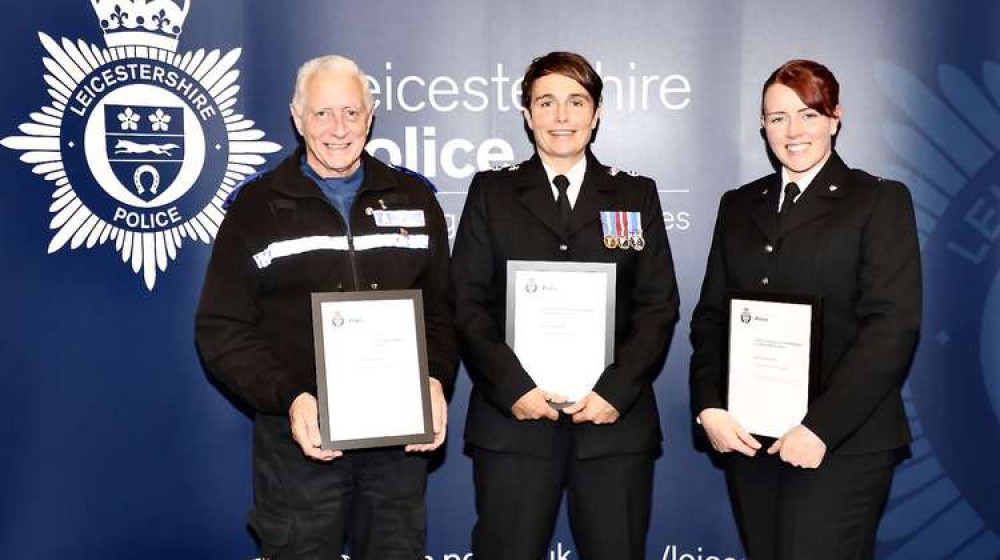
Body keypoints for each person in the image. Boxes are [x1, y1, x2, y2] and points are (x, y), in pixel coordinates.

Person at [195, 54, 456, 560]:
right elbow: (221, 328)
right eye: (322, 114)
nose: (338, 129)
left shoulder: (416, 199)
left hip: (397, 449)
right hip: (300, 448)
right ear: (297, 118)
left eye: (351, 113)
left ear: (371, 115)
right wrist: (290, 397)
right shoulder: (257, 208)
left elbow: (443, 310)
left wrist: (435, 379)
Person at [451, 51, 679, 560]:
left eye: (576, 102)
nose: (561, 117)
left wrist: (615, 391)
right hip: (513, 423)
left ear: (596, 114)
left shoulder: (635, 193)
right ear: (527, 114)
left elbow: (657, 305)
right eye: (546, 102)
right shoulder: (492, 192)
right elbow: (466, 300)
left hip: (613, 425)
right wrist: (514, 387)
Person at [689, 59, 921, 560]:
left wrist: (821, 428)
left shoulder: (877, 200)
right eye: (777, 118)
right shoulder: (738, 205)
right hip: (750, 441)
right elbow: (711, 317)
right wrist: (709, 405)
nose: (793, 131)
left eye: (808, 114)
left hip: (840, 443)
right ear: (762, 127)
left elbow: (892, 326)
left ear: (835, 118)